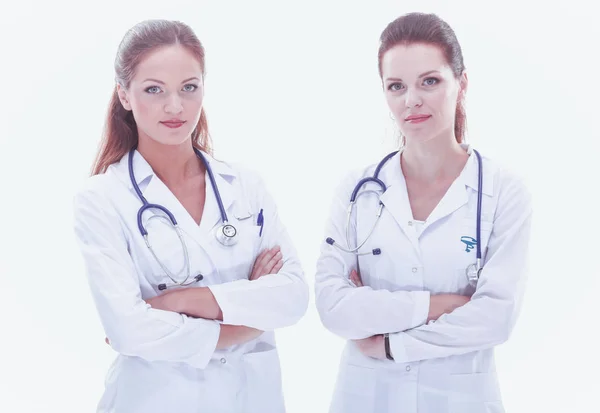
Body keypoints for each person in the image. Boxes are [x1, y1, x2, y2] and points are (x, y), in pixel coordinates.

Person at [72, 19, 308, 413]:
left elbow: (295, 297)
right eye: (154, 90)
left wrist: (183, 300)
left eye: (189, 87)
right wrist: (249, 317)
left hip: (251, 399)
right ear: (124, 95)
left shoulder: (244, 186)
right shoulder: (101, 199)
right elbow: (128, 330)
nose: (175, 106)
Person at [314, 12, 532, 413]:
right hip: (366, 397)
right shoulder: (357, 192)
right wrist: (442, 306)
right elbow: (333, 308)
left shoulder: (503, 191)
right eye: (396, 86)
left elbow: (495, 318)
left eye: (429, 81)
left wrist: (392, 343)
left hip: (459, 400)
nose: (411, 100)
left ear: (461, 84)